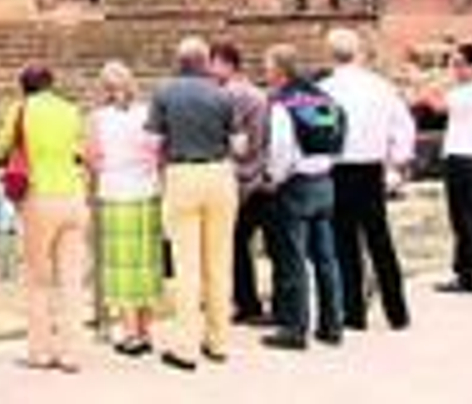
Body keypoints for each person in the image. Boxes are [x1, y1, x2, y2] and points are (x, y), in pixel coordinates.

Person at [147, 36, 239, 370]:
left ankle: (186, 346)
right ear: (204, 62)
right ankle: (218, 340)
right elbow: (239, 144)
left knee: (186, 266)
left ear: (179, 60)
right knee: (219, 261)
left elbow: (153, 142)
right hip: (219, 174)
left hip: (182, 172)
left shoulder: (164, 92)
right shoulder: (223, 94)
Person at [0, 62, 88, 372]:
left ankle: (40, 351)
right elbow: (79, 149)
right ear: (51, 83)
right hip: (73, 194)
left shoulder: (21, 110)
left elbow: (3, 146)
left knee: (38, 278)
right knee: (71, 279)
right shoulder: (70, 109)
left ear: (25, 85)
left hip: (40, 196)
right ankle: (72, 353)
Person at [321, 28, 415, 331]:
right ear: (358, 52)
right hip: (372, 169)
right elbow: (404, 126)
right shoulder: (380, 86)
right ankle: (397, 312)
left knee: (344, 243)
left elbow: (319, 134)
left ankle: (354, 312)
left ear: (330, 54)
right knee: (380, 241)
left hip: (339, 170)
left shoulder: (324, 91)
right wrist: (398, 164)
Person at [260, 44, 345, 350]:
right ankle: (332, 324)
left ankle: (295, 328)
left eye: (267, 65)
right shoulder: (321, 97)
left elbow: (282, 149)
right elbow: (339, 136)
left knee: (292, 258)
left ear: (280, 70)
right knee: (326, 258)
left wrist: (273, 178)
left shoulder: (284, 103)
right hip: (324, 181)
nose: (265, 71)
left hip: (295, 185)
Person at [85, 60, 163, 356]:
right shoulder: (147, 113)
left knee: (123, 265)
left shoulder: (98, 118)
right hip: (147, 190)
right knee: (146, 263)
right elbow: (158, 151)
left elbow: (91, 157)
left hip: (116, 192)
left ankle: (131, 334)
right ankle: (146, 329)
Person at [422, 42, 472, 293]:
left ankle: (466, 276)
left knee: (463, 221)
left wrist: (439, 79)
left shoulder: (464, 93)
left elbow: (432, 103)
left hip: (461, 161)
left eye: (458, 64)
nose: (453, 69)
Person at [211, 42, 274, 326]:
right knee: (262, 244)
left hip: (240, 177)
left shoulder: (230, 96)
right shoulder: (259, 94)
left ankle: (247, 303)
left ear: (225, 64)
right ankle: (262, 302)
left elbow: (232, 139)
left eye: (213, 64)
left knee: (235, 244)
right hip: (262, 173)